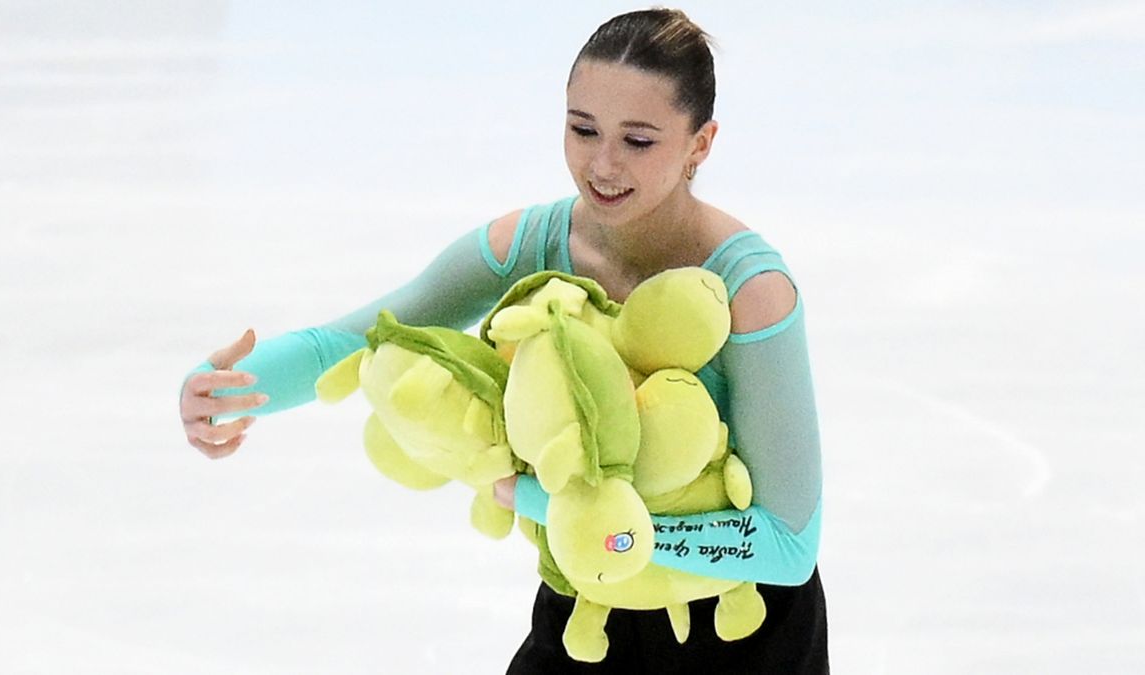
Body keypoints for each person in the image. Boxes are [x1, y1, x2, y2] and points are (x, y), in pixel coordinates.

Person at [178, 8, 827, 673]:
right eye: (582, 129)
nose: (602, 164)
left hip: (742, 634)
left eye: (638, 141)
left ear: (701, 143)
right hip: (585, 611)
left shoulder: (751, 290)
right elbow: (361, 339)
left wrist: (557, 506)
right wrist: (228, 386)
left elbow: (787, 543)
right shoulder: (529, 245)